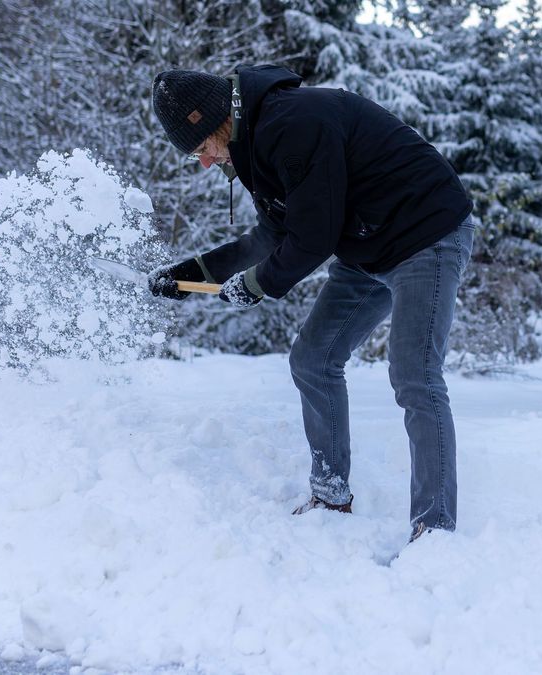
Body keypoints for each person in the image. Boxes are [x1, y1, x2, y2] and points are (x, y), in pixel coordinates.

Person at [149, 65, 474, 543]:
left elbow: (313, 234)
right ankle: (330, 492)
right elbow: (274, 233)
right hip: (368, 245)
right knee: (313, 359)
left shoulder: (292, 122)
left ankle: (435, 527)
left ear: (216, 121)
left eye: (200, 149)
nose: (203, 162)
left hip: (426, 233)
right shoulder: (256, 142)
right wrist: (193, 274)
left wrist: (258, 284)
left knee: (414, 374)